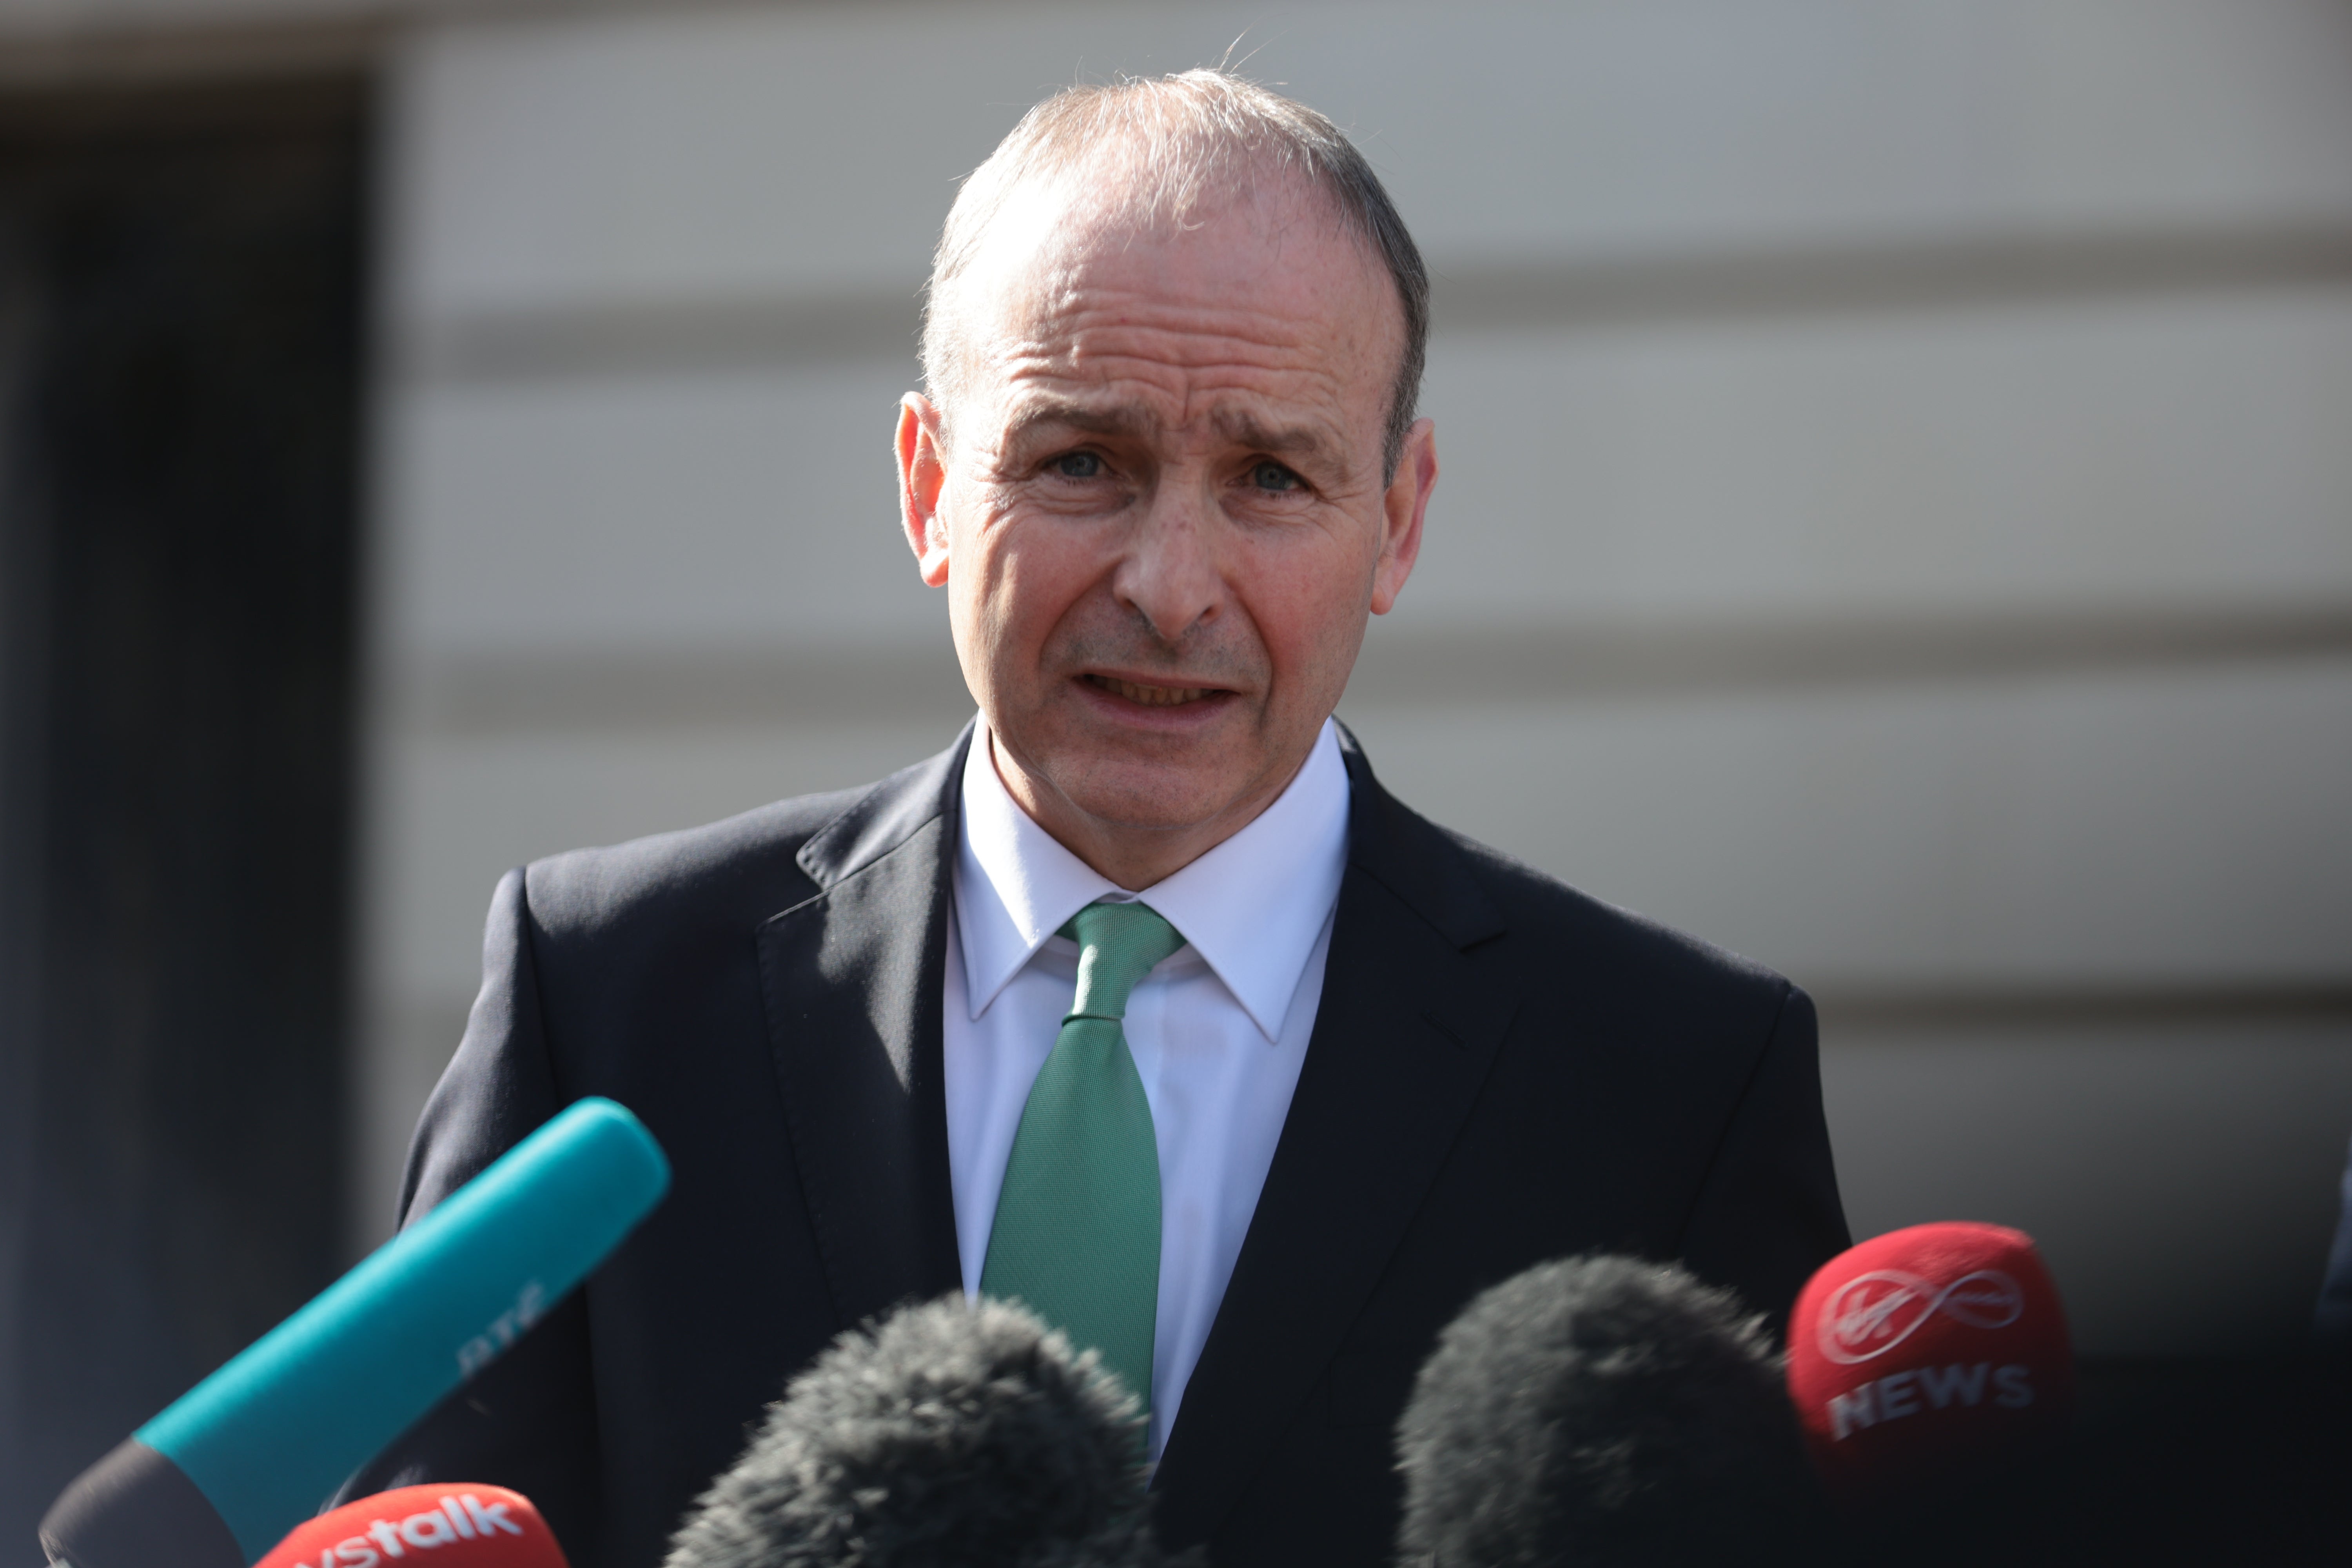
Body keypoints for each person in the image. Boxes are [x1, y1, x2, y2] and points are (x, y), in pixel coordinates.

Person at [348, 71, 1847, 1568]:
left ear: (1398, 520)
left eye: (1270, 476)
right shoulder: (606, 997)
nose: (1168, 584)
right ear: (932, 487)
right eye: (1082, 463)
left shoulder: (1671, 1087)